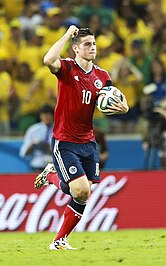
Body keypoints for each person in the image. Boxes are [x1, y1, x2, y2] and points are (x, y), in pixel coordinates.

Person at [34, 25, 129, 250]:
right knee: (81, 190)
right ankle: (58, 241)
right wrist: (67, 35)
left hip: (88, 140)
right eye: (87, 44)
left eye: (94, 44)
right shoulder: (67, 68)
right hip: (64, 140)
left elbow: (114, 100)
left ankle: (52, 178)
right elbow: (48, 59)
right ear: (75, 48)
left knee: (82, 193)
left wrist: (122, 107)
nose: (92, 48)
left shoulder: (102, 76)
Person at [19, 105, 54, 172]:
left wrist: (47, 146)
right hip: (36, 166)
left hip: (53, 167)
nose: (46, 117)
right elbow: (23, 153)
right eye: (44, 115)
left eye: (49, 115)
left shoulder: (58, 130)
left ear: (53, 116)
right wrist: (32, 145)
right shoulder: (33, 130)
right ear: (40, 116)